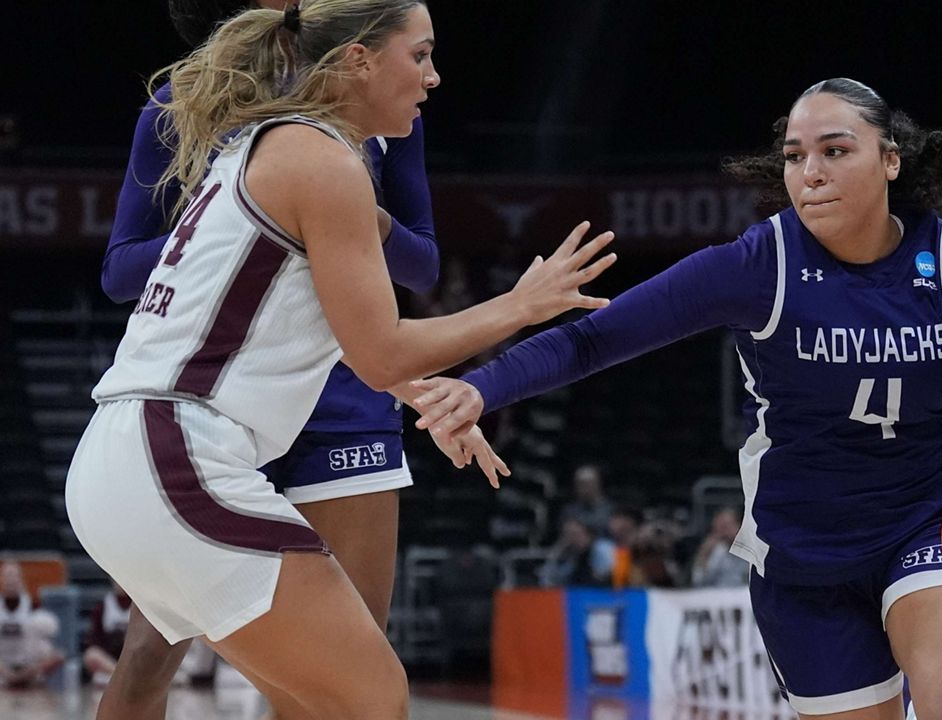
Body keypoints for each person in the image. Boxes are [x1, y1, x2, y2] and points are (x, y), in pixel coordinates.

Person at [411, 78, 942, 719]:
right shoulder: (759, 267)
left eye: (835, 150)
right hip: (803, 552)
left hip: (928, 520)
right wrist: (479, 387)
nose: (809, 171)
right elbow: (591, 341)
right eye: (794, 155)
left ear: (891, 160)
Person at [65, 2, 615, 718]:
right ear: (357, 59)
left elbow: (297, 323)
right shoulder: (320, 159)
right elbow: (379, 348)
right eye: (418, 55)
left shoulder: (283, 145)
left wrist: (425, 393)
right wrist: (521, 303)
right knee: (370, 695)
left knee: (326, 700)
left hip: (140, 456)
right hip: (179, 457)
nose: (433, 76)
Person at [96, 0, 441, 716]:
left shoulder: (381, 104)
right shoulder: (183, 101)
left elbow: (423, 266)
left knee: (341, 676)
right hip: (215, 401)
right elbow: (121, 270)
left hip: (343, 395)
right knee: (148, 657)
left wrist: (358, 220)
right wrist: (258, 218)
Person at [0, 561, 64, 689]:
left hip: (28, 662)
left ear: (21, 580)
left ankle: (24, 677)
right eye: (7, 576)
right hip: (3, 663)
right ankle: (11, 678)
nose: (10, 580)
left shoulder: (33, 606)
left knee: (57, 654)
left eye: (14, 576)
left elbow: (52, 630)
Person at [82, 581, 133, 686]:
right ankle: (122, 677)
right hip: (110, 658)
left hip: (132, 655)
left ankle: (115, 678)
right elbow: (94, 638)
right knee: (91, 654)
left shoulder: (139, 606)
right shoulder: (102, 606)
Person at [692, 506, 751, 587]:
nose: (722, 532)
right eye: (717, 528)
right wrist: (705, 553)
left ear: (739, 525)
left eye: (725, 527)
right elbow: (698, 581)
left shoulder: (752, 548)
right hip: (719, 595)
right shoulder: (717, 550)